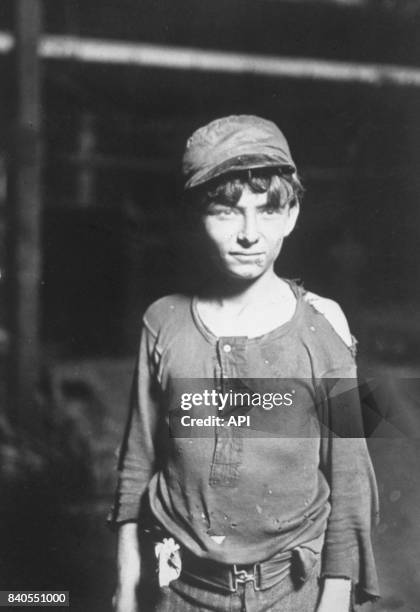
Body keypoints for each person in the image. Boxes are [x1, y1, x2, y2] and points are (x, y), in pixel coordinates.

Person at [109, 115, 380, 612]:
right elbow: (136, 463)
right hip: (181, 590)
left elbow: (352, 479)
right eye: (226, 212)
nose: (250, 234)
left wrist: (336, 597)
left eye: (268, 210)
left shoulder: (328, 327)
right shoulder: (161, 321)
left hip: (291, 590)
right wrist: (126, 585)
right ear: (195, 216)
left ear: (293, 214)